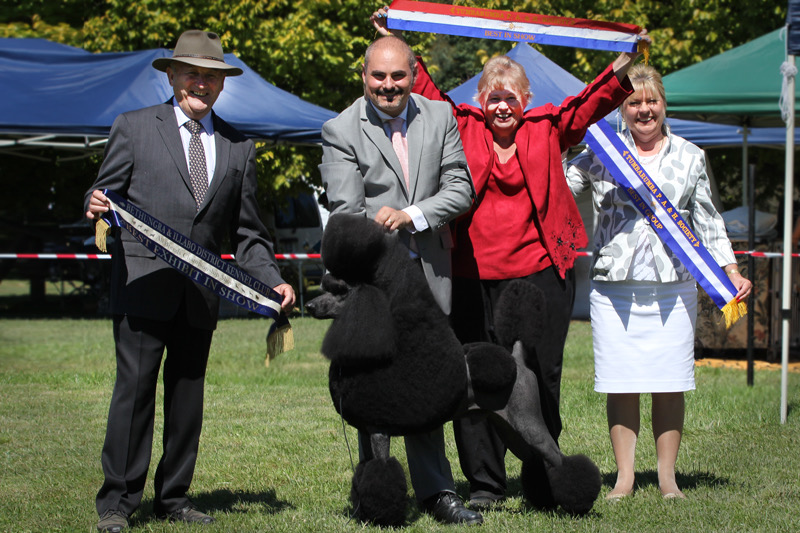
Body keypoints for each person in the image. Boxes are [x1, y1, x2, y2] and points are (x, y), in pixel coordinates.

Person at [371, 8, 647, 510]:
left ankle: (545, 475)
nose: (501, 106)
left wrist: (625, 63)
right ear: (481, 100)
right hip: (472, 275)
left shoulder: (547, 127)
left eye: (510, 98)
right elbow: (426, 88)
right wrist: (394, 39)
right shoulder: (461, 124)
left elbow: (589, 103)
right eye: (493, 97)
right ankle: (485, 484)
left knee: (541, 375)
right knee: (476, 378)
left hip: (541, 277)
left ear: (526, 101)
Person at [84, 30, 295, 532]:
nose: (201, 83)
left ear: (222, 86)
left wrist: (272, 281)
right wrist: (94, 204)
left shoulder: (240, 149)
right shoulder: (133, 127)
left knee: (187, 397)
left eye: (211, 76)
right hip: (141, 285)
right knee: (133, 394)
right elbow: (103, 196)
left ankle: (174, 497)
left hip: (201, 297)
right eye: (192, 73)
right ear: (173, 76)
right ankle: (118, 502)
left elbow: (249, 233)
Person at [566, 64, 752, 499]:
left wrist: (731, 271)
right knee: (621, 382)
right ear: (622, 108)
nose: (643, 109)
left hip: (674, 287)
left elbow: (708, 220)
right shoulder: (601, 153)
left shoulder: (689, 155)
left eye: (651, 101)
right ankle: (625, 477)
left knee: (670, 382)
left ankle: (668, 478)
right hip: (614, 289)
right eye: (633, 102)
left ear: (664, 105)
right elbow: (556, 183)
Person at [318, 34, 481, 525]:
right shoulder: (340, 129)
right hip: (373, 282)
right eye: (378, 76)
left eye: (398, 76)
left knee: (427, 380)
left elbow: (461, 188)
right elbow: (346, 214)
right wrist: (381, 242)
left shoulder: (440, 117)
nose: (388, 86)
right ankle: (377, 492)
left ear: (413, 74)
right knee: (375, 388)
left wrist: (412, 213)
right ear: (364, 75)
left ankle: (437, 492)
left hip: (430, 275)